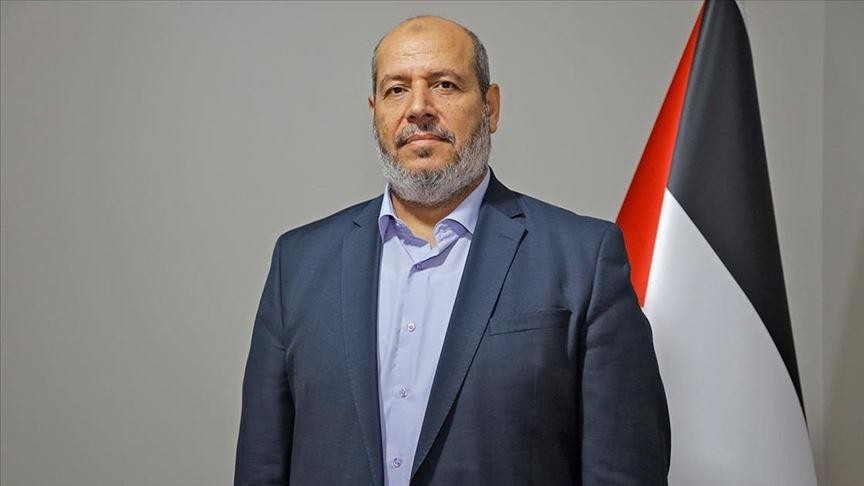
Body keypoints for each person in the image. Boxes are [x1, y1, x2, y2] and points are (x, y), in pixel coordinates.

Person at [235, 15, 670, 486]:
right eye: (396, 90)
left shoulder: (584, 259)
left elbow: (625, 471)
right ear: (375, 113)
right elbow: (261, 467)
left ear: (491, 108)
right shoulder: (297, 264)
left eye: (444, 85)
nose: (418, 108)